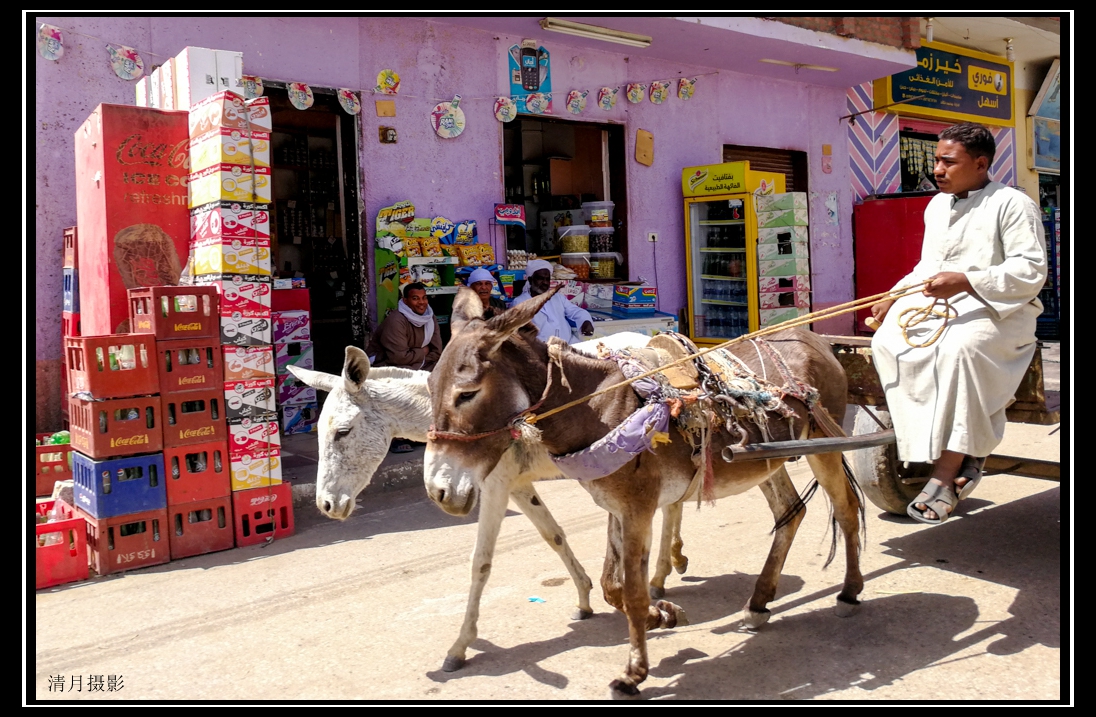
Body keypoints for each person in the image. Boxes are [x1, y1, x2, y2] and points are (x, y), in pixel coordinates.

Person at [869, 122, 1047, 525]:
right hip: (941, 305)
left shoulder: (1013, 204)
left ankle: (949, 472)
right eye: (936, 160)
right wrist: (893, 295)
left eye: (948, 162)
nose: (937, 169)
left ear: (981, 164)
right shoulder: (937, 206)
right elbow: (929, 267)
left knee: (960, 349)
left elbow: (1031, 269)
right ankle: (924, 443)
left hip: (1001, 309)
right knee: (886, 342)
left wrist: (968, 280)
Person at [365, 282, 443, 452]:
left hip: (417, 363)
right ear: (405, 301)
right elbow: (398, 357)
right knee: (403, 384)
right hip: (385, 364)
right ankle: (398, 437)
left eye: (424, 298)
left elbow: (437, 352)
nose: (421, 302)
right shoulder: (396, 320)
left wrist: (417, 357)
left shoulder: (430, 317)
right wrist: (422, 351)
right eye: (415, 298)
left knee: (441, 378)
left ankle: (422, 430)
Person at [510, 259, 594, 343]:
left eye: (547, 279)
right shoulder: (520, 303)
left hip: (568, 344)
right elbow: (518, 334)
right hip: (540, 350)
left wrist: (585, 321)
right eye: (541, 278)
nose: (545, 283)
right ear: (530, 280)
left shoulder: (557, 297)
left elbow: (575, 311)